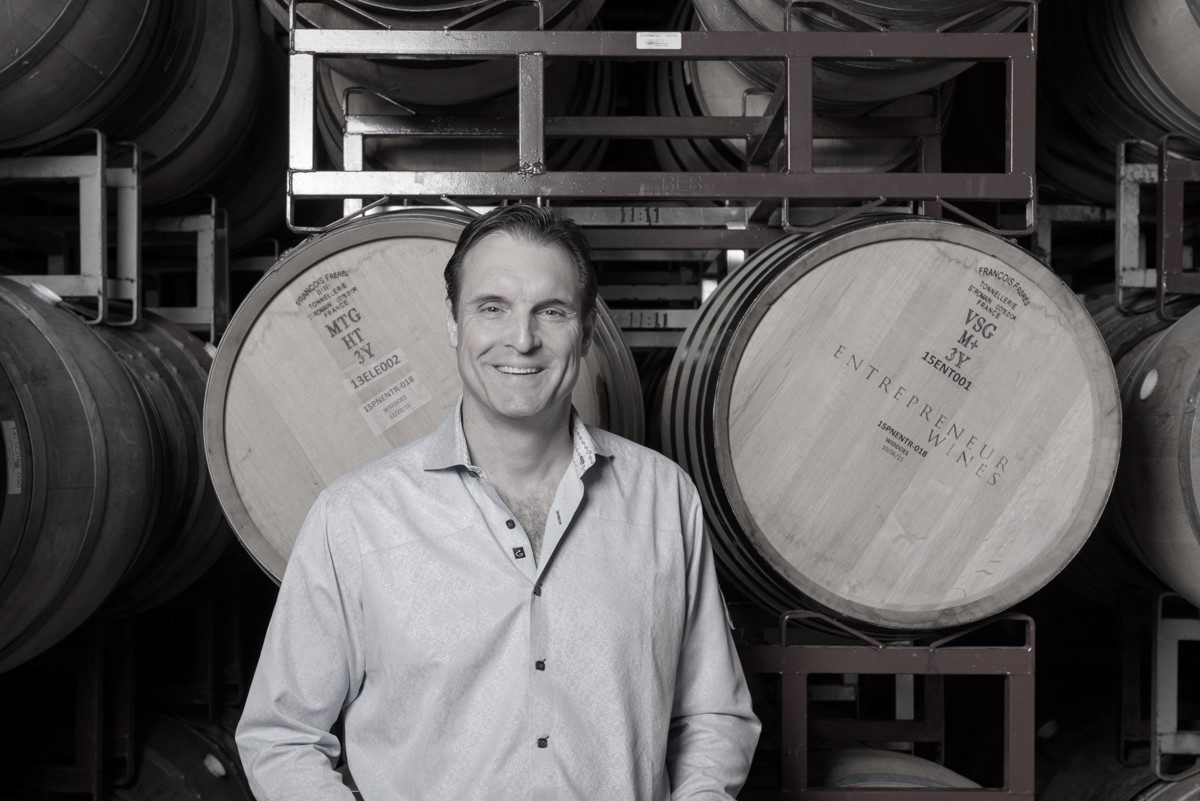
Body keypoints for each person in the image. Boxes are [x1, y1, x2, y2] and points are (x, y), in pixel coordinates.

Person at [235, 204, 760, 801]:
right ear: (454, 327)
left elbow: (715, 717)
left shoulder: (664, 500)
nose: (522, 339)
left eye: (552, 312)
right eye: (492, 308)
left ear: (587, 332)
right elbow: (281, 736)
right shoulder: (355, 517)